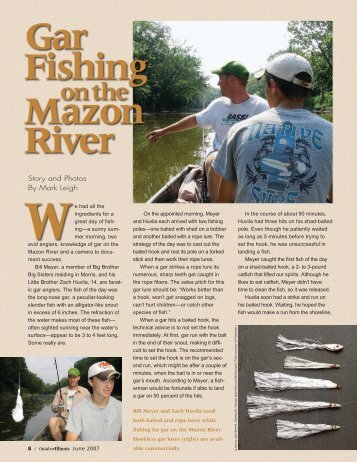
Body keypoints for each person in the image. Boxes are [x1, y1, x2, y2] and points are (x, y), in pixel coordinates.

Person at [212, 53, 332, 203]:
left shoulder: (239, 130)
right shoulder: (334, 134)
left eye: (265, 84)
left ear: (273, 86)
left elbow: (224, 201)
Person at [147, 61, 269, 201]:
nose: (218, 84)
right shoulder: (218, 105)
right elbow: (194, 120)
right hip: (219, 154)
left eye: (220, 79)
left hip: (246, 158)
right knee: (214, 161)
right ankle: (218, 210)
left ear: (232, 80)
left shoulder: (260, 107)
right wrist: (164, 131)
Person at [66, 361, 122, 441]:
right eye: (103, 379)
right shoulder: (78, 410)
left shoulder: (121, 407)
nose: (109, 385)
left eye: (112, 379)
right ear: (91, 382)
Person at [49, 367, 90, 441]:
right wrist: (59, 407)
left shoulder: (85, 392)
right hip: (64, 421)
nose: (72, 379)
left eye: (74, 377)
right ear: (68, 378)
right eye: (70, 377)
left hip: (78, 423)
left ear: (78, 378)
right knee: (52, 421)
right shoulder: (61, 391)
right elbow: (53, 408)